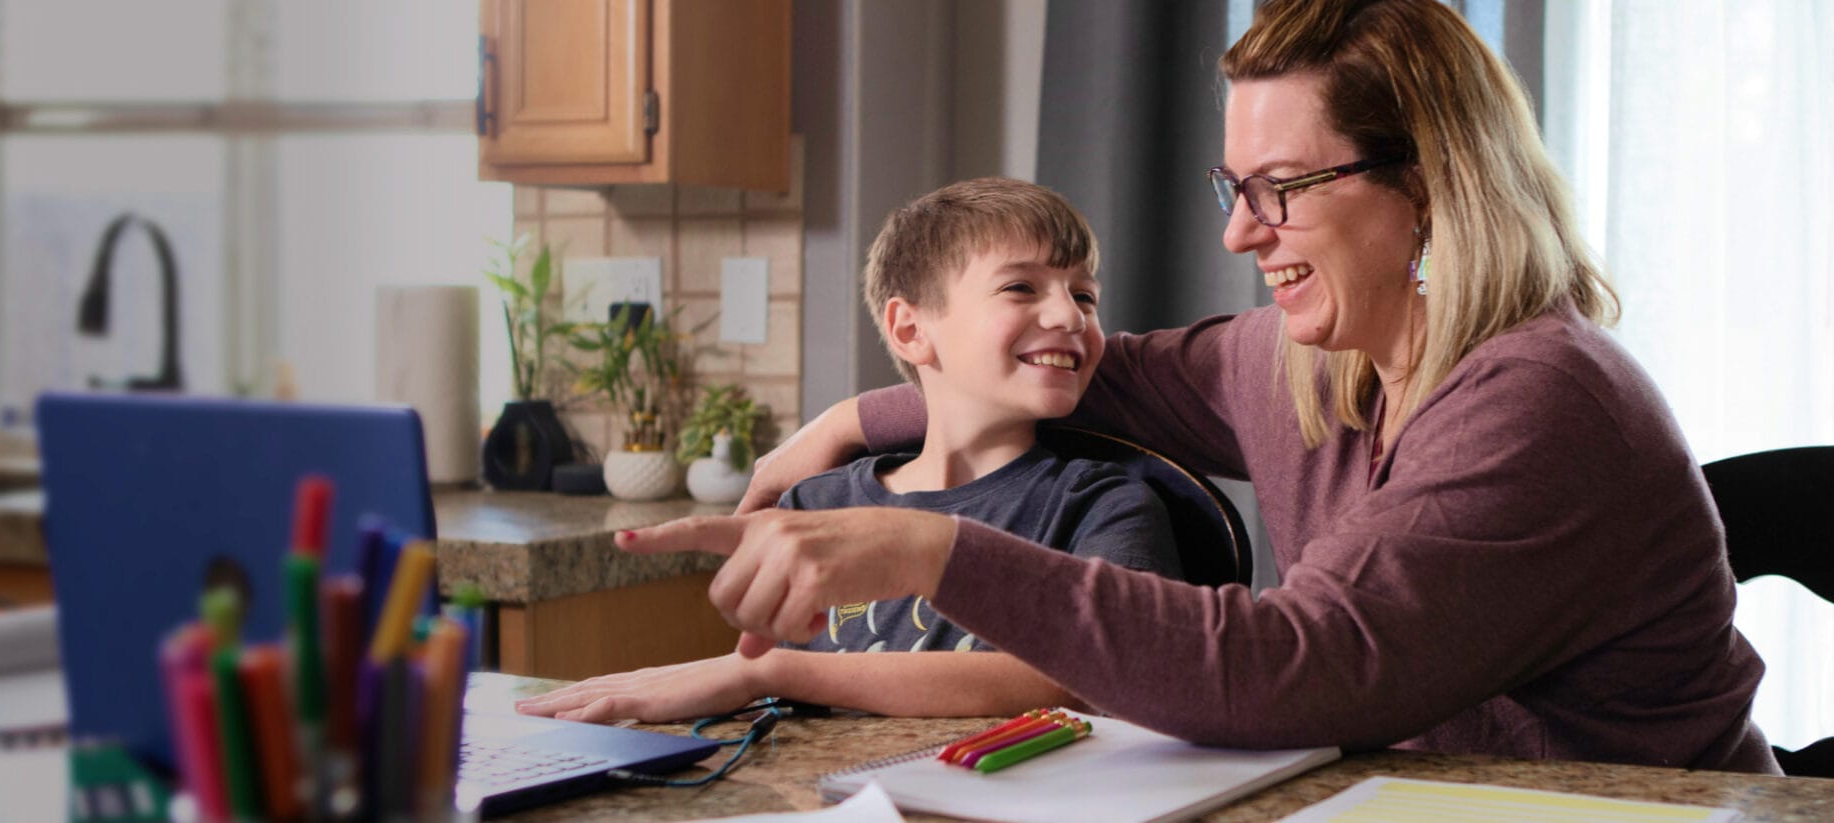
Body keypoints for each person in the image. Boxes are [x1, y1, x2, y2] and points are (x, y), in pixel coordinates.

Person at [613, 0, 1781, 773]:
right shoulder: (1306, 360)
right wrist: (852, 419)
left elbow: (1296, 667)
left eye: (1281, 188)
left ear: (1428, 185)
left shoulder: (1540, 402)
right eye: (1232, 186)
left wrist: (930, 549)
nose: (1238, 232)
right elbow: (1083, 372)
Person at [516, 178, 1181, 723]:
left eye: (1085, 294)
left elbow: (1086, 673)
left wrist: (771, 672)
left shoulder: (1104, 504)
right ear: (910, 329)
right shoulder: (816, 505)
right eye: (1021, 287)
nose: (1071, 315)